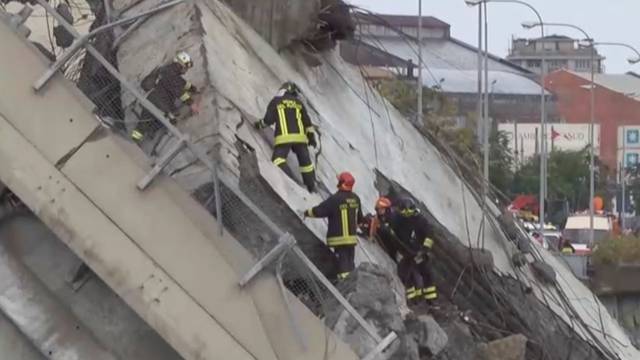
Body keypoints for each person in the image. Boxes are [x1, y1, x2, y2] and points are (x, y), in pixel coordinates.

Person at [256, 82, 317, 192]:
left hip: (285, 138)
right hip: (300, 138)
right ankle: (311, 186)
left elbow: (268, 120)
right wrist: (311, 137)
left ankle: (291, 180)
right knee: (306, 163)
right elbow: (307, 122)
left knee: (278, 160)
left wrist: (259, 125)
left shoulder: (276, 101)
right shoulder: (298, 103)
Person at [363, 197, 423, 304]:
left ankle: (415, 298)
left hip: (404, 247)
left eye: (380, 209)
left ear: (386, 209)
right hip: (396, 246)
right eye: (377, 209)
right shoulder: (384, 216)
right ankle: (413, 296)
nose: (378, 212)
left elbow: (396, 233)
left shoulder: (395, 217)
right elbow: (376, 223)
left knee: (407, 271)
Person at [304, 172, 363, 280]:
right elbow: (360, 218)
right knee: (350, 263)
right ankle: (352, 283)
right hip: (351, 239)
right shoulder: (356, 199)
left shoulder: (335, 199)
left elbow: (319, 211)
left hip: (339, 239)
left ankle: (345, 288)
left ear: (341, 183)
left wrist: (306, 212)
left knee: (342, 267)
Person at [131, 51, 198, 142]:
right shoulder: (171, 74)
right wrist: (192, 103)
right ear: (180, 65)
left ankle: (134, 141)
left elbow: (182, 83)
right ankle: (137, 141)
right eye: (186, 68)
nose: (186, 70)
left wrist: (193, 89)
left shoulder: (169, 71)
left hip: (151, 100)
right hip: (160, 104)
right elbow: (178, 91)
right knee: (171, 121)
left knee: (142, 124)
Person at [391, 197, 438, 306]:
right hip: (406, 253)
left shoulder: (420, 221)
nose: (405, 214)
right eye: (403, 211)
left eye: (407, 211)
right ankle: (413, 300)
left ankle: (431, 300)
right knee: (406, 275)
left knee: (427, 274)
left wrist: (424, 250)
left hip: (419, 253)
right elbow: (394, 234)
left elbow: (429, 236)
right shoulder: (398, 219)